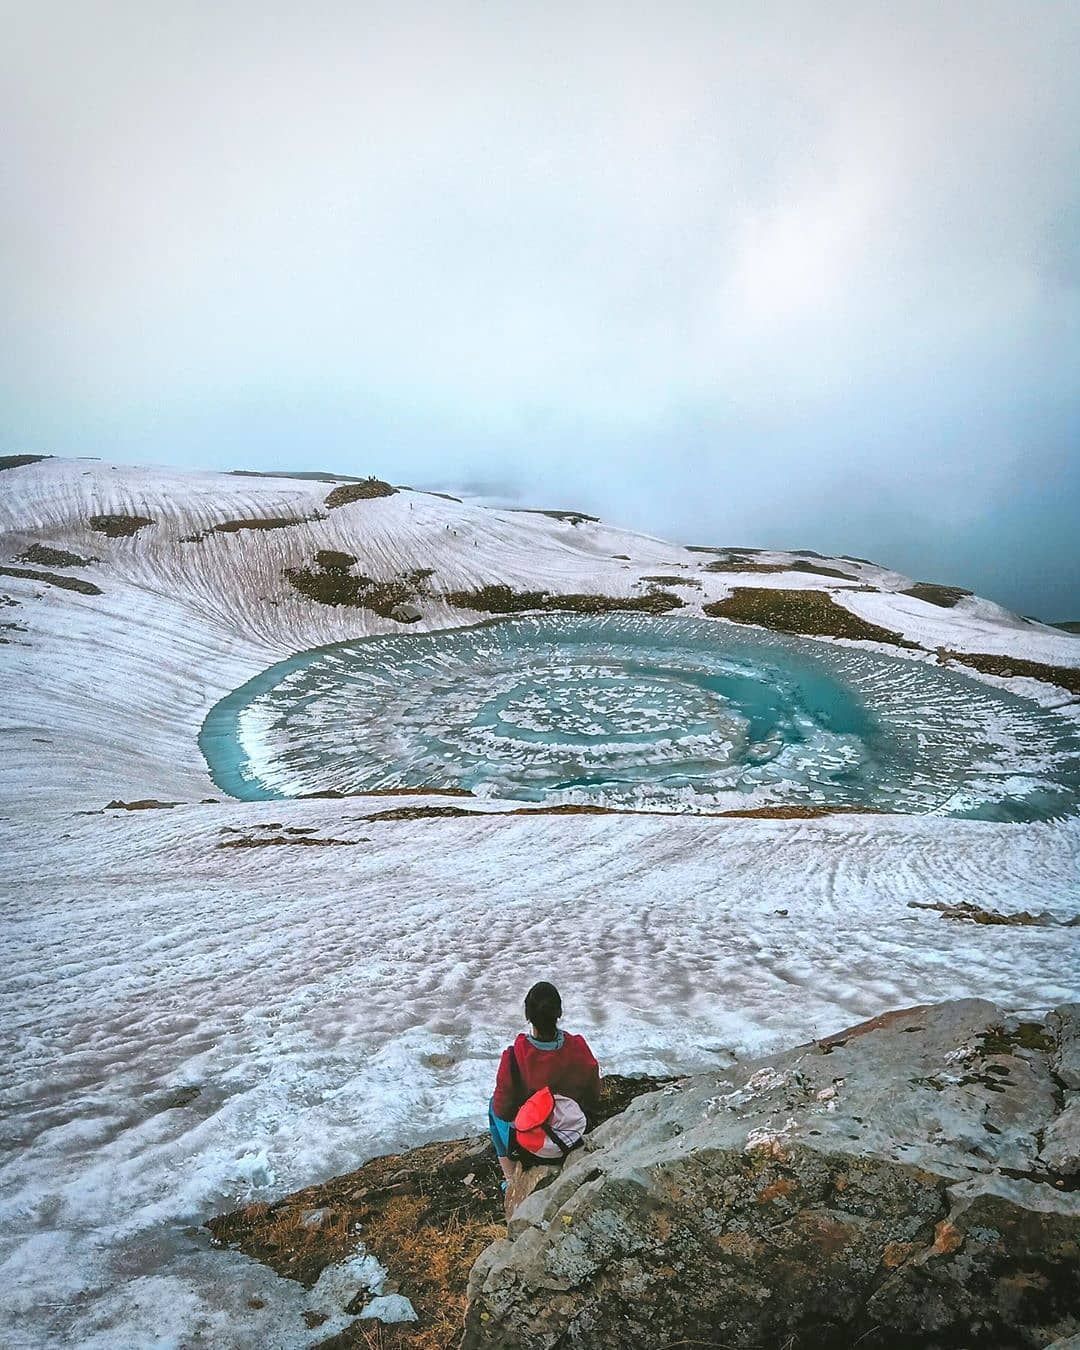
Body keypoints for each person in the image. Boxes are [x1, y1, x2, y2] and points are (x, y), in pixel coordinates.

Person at [488, 981, 600, 1183]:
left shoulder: (515, 1056)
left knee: (492, 1107)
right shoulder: (579, 1048)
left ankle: (512, 1180)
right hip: (573, 1132)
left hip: (537, 1143)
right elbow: (593, 1096)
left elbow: (503, 1109)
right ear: (559, 1013)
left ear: (528, 1016)